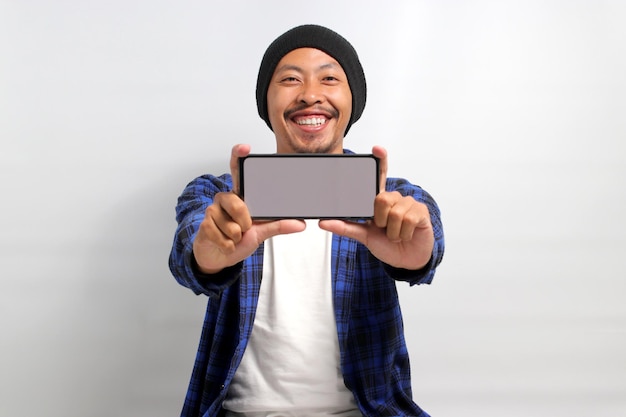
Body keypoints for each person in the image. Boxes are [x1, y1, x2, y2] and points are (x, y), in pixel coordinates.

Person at [169, 24, 445, 417]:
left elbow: (428, 235)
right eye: (290, 79)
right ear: (267, 101)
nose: (310, 95)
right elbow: (189, 251)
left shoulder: (389, 198)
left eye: (329, 78)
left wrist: (417, 254)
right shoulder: (220, 198)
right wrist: (208, 255)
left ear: (353, 101)